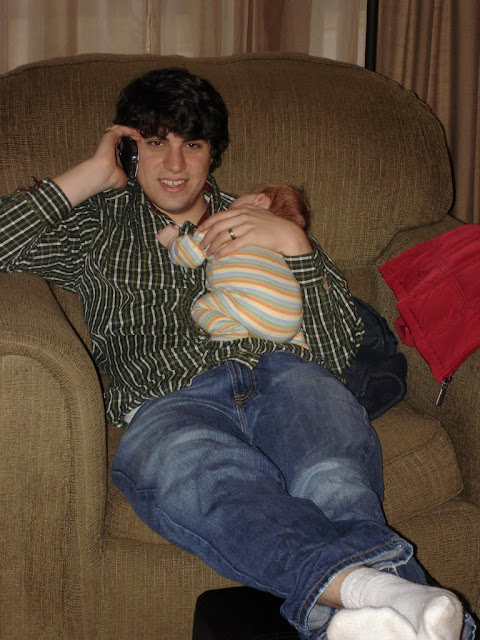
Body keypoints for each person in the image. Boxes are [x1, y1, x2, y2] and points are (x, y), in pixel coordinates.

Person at [0, 67, 474, 640]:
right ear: (130, 148)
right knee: (212, 482)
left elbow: (336, 351)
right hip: (170, 399)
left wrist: (297, 247)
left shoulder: (265, 215)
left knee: (334, 479)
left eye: (193, 144)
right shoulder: (97, 224)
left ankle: (367, 606)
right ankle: (386, 599)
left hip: (288, 375)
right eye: (156, 142)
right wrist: (94, 173)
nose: (175, 164)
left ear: (213, 154)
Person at [156, 184, 311, 347]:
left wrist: (171, 241)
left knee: (201, 308)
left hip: (252, 312)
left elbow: (189, 256)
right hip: (291, 325)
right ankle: (299, 344)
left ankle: (230, 331)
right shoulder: (280, 251)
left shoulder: (224, 225)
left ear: (258, 199)